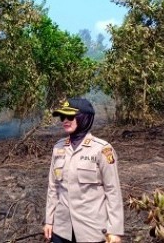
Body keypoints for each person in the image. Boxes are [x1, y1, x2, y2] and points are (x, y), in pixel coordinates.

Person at [43, 98, 124, 243]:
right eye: (62, 116)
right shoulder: (58, 147)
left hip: (91, 231)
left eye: (70, 116)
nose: (65, 120)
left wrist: (115, 231)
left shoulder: (102, 149)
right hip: (61, 230)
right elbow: (53, 188)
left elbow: (113, 191)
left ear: (84, 118)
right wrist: (49, 221)